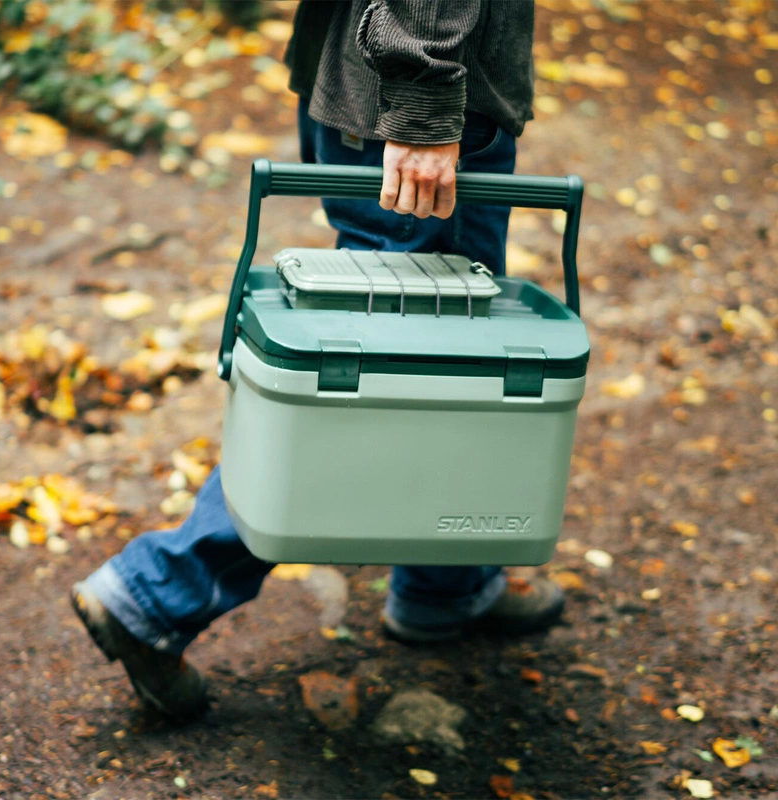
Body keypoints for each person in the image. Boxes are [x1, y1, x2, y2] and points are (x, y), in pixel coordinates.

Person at [71, 0, 565, 721]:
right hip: (412, 96)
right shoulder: (420, 87)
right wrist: (423, 99)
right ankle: (158, 591)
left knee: (451, 359)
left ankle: (446, 585)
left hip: (361, 72)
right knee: (382, 380)